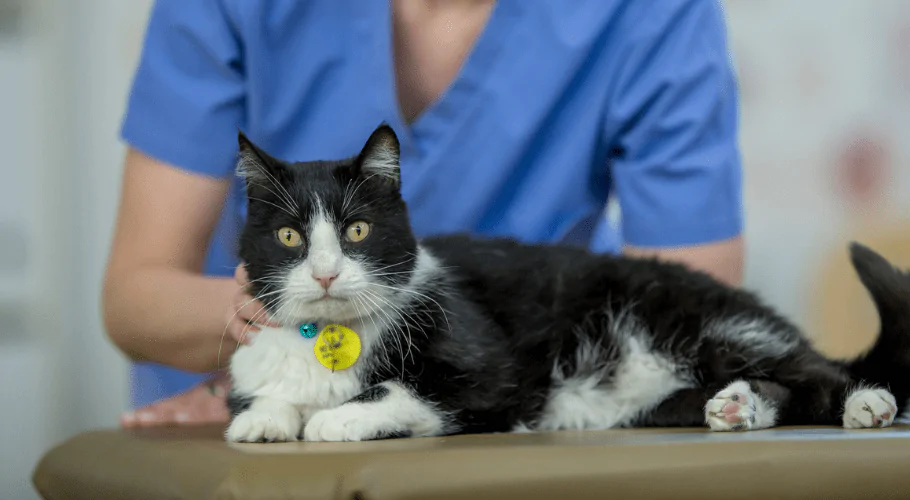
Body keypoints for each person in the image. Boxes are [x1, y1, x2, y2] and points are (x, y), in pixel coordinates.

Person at [104, 0, 746, 427]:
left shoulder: (651, 14)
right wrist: (272, 366)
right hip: (254, 415)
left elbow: (693, 308)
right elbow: (136, 295)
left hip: (526, 409)